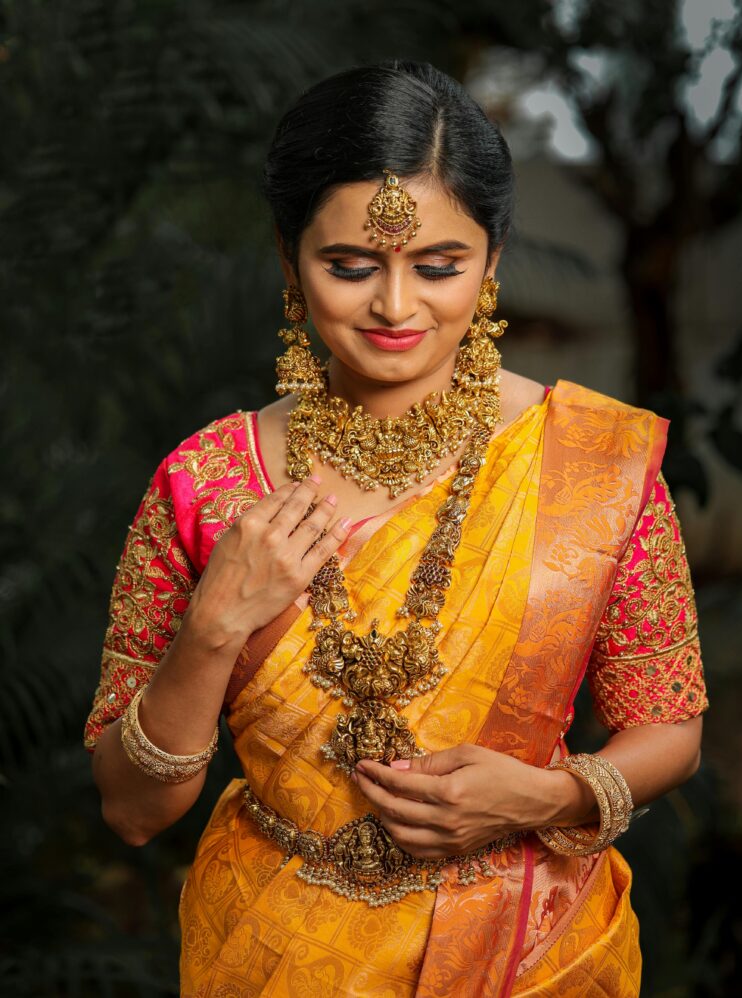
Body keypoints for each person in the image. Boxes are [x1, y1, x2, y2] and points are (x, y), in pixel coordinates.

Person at [85, 61, 707, 997]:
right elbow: (133, 811)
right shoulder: (208, 484)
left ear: (491, 262)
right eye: (350, 266)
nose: (395, 306)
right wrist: (215, 627)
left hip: (532, 955)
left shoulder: (593, 465)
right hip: (274, 956)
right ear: (290, 258)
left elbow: (668, 725)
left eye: (438, 266)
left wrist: (551, 795)